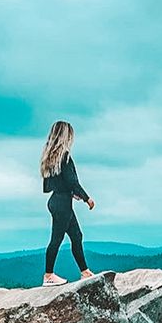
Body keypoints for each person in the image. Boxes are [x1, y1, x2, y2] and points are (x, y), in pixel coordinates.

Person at [40, 120, 96, 286]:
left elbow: (48, 186)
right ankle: (48, 275)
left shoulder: (49, 159)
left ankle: (85, 272)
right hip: (62, 204)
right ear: (66, 136)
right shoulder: (64, 157)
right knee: (56, 239)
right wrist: (87, 198)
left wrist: (68, 193)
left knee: (77, 236)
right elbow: (72, 181)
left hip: (57, 200)